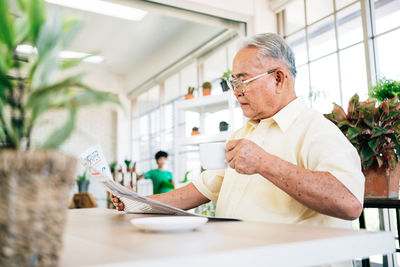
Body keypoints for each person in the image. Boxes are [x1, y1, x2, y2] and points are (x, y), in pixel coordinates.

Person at [113, 33, 364, 230]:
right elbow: (197, 191)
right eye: (233, 82)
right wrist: (139, 203)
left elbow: (350, 202)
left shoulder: (316, 130)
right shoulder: (242, 133)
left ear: (278, 78)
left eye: (243, 81)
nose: (236, 91)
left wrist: (263, 162)